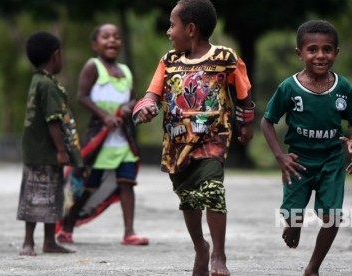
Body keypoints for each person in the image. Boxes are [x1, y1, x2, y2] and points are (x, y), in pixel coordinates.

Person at [132, 0, 254, 274]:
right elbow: (151, 95)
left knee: (213, 192)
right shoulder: (168, 61)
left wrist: (246, 126)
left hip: (213, 140)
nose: (168, 31)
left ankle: (219, 256)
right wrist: (147, 107)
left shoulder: (225, 59)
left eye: (171, 25)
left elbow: (244, 97)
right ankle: (201, 246)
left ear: (190, 29)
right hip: (177, 145)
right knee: (188, 199)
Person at [260, 20, 352, 276]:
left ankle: (313, 267)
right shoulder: (289, 88)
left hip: (331, 161)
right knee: (293, 213)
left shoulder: (343, 87)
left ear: (336, 53)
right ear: (300, 53)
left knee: (333, 217)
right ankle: (294, 225)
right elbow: (267, 122)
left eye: (327, 49)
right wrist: (280, 156)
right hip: (298, 162)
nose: (320, 55)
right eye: (313, 49)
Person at [56, 23, 148, 246]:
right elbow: (82, 97)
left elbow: (133, 97)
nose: (112, 41)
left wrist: (129, 106)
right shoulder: (93, 66)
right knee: (87, 184)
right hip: (100, 139)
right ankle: (67, 227)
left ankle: (129, 232)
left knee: (127, 183)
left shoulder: (125, 71)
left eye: (116, 36)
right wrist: (105, 116)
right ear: (95, 45)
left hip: (122, 139)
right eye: (105, 37)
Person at [17, 31, 83, 256]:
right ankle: (28, 242)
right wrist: (61, 150)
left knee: (50, 195)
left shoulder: (38, 80)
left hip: (36, 151)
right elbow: (53, 120)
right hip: (46, 152)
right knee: (37, 196)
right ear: (56, 56)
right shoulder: (48, 85)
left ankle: (48, 241)